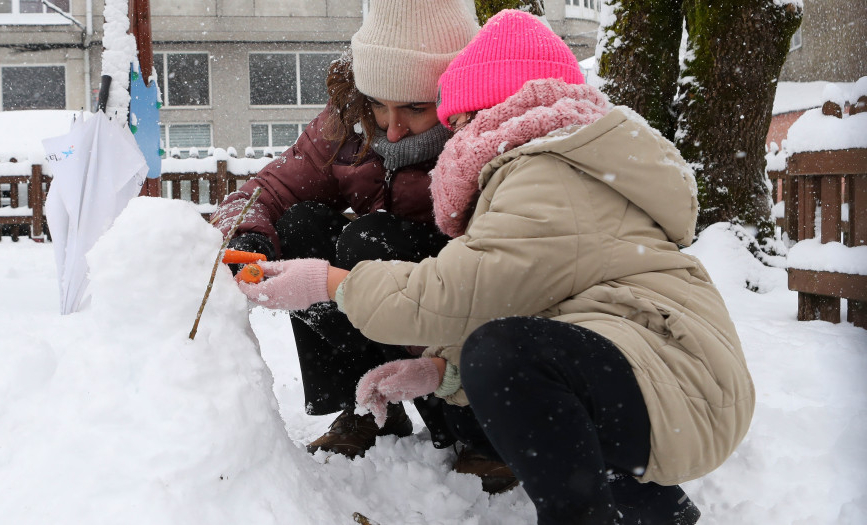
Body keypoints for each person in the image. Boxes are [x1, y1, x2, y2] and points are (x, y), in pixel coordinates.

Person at [234, 10, 754, 525]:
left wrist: (328, 283)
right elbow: (532, 300)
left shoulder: (544, 176)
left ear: (494, 111)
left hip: (679, 389)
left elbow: (464, 292)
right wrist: (441, 371)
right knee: (500, 351)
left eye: (451, 118)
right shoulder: (551, 160)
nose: (450, 136)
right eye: (379, 106)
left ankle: (552, 489)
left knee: (502, 353)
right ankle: (654, 510)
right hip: (664, 374)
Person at [211, 0, 487, 465]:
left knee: (369, 241)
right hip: (378, 285)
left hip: (457, 291)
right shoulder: (348, 124)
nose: (392, 130)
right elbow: (269, 190)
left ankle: (472, 423)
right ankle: (365, 406)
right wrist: (246, 239)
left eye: (415, 108)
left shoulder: (486, 134)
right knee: (301, 225)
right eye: (378, 104)